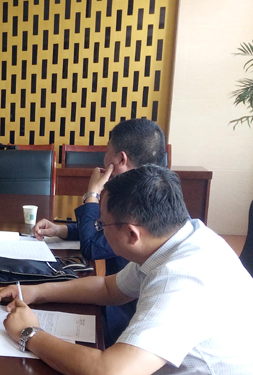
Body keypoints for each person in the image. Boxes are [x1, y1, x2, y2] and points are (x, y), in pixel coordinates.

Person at [0, 165, 253, 375]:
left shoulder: (183, 279)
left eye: (101, 223)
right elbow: (109, 288)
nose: (99, 228)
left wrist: (29, 333)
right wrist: (34, 292)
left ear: (132, 234)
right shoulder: (181, 239)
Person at [32, 118, 167, 344]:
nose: (103, 157)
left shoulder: (139, 205)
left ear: (121, 159)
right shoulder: (154, 191)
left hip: (125, 318)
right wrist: (61, 230)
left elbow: (92, 246)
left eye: (106, 150)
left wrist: (93, 193)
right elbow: (104, 230)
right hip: (117, 291)